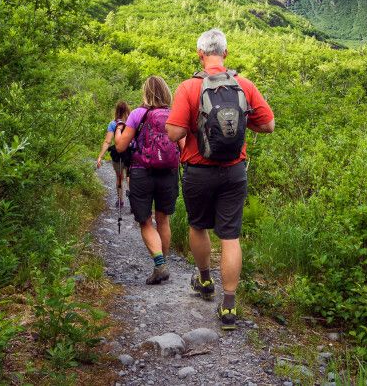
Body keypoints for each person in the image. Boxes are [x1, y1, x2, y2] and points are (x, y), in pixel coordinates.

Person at [166, 29, 274, 330]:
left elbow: (174, 133)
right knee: (230, 236)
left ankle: (204, 279)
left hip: (198, 171)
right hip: (234, 170)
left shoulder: (188, 87)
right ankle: (228, 305)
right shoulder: (245, 85)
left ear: (200, 54)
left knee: (198, 226)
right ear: (225, 53)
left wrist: (193, 124)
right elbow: (269, 125)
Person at [115, 76, 182, 285]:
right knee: (163, 219)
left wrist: (119, 130)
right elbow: (183, 146)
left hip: (141, 172)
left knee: (145, 220)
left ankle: (159, 264)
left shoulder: (137, 114)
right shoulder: (175, 115)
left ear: (145, 92)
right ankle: (162, 264)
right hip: (168, 173)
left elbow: (120, 147)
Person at [96, 100, 131, 208]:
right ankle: (133, 202)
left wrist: (100, 156)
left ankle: (120, 201)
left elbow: (107, 141)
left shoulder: (113, 124)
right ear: (127, 110)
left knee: (119, 177)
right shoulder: (131, 121)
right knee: (130, 177)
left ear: (116, 111)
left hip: (117, 154)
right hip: (130, 153)